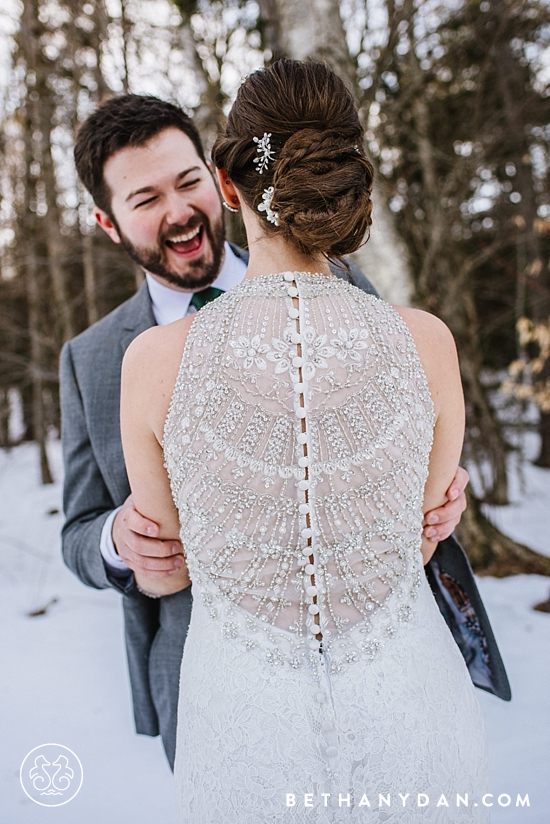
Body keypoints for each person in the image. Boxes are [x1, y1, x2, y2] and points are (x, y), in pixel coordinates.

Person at [120, 61, 490, 821]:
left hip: (244, 734)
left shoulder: (153, 364)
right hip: (413, 713)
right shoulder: (427, 343)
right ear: (347, 177)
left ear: (228, 184)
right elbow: (416, 538)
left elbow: (166, 569)